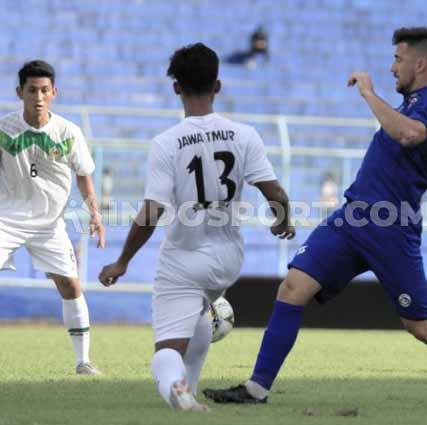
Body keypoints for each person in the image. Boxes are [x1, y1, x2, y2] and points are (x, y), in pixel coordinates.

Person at [203, 27, 427, 408]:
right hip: (353, 218)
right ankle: (256, 389)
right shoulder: (420, 102)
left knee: (422, 328)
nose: (392, 67)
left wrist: (368, 94)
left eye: (399, 59)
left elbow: (411, 134)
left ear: (420, 63)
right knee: (293, 287)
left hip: (392, 229)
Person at [98, 43, 294, 411]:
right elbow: (275, 191)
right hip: (229, 259)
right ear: (217, 86)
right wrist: (283, 220)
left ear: (176, 88)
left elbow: (152, 211)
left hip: (185, 258)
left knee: (165, 350)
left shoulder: (166, 143)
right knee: (200, 314)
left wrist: (122, 260)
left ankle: (175, 387)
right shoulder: (245, 135)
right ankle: (189, 389)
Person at [0, 60, 106, 375]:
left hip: (49, 223)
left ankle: (84, 361)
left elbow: (84, 175)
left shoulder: (69, 132)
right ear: (20, 92)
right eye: (32, 90)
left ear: (54, 92)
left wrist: (94, 213)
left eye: (44, 90)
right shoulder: (0, 129)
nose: (38, 96)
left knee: (71, 286)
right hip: (6, 218)